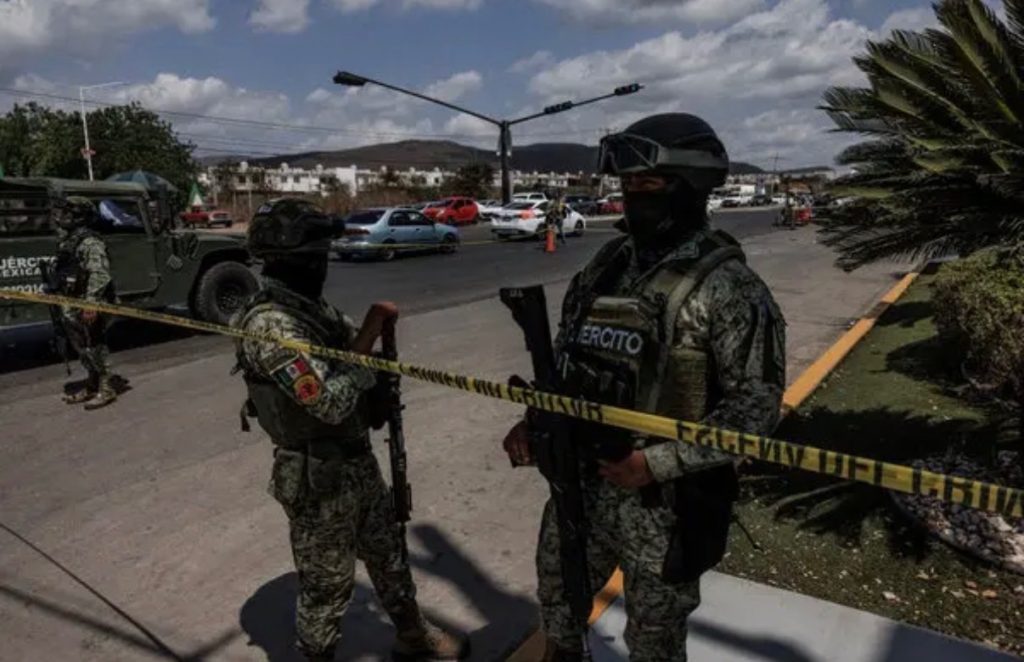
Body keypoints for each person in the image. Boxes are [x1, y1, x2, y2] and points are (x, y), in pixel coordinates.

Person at [503, 114, 786, 660]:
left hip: (665, 505)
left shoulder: (728, 286)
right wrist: (535, 421)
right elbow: (570, 361)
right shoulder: (607, 265)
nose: (634, 196)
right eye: (627, 184)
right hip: (580, 485)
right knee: (559, 606)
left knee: (654, 641)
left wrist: (655, 464)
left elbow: (757, 408)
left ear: (690, 187)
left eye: (649, 183)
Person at [232, 199, 468, 662]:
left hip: (354, 460)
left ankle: (412, 634)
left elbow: (348, 349)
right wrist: (371, 336)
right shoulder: (271, 325)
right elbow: (330, 402)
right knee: (327, 585)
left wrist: (371, 343)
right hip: (316, 475)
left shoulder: (308, 308)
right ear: (296, 261)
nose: (323, 265)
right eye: (317, 257)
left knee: (388, 555)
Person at [50, 196, 119, 409]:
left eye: (67, 213)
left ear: (80, 217)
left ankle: (106, 388)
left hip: (90, 303)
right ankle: (92, 384)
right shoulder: (69, 240)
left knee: (95, 344)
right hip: (73, 302)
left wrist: (91, 303)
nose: (62, 217)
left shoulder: (91, 242)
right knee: (83, 348)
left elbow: (100, 274)